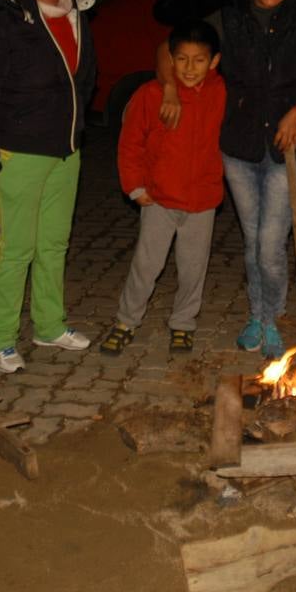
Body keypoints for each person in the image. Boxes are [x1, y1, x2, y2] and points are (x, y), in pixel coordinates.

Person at [156, 0, 296, 358]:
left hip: (289, 147)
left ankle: (274, 319)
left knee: (270, 243)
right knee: (253, 238)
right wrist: (170, 88)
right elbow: (168, 48)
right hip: (238, 145)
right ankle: (257, 316)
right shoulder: (227, 19)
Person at [0, 0, 97, 374]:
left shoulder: (74, 14)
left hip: (65, 151)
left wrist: (73, 128)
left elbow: (84, 79)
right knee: (16, 248)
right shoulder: (3, 22)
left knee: (54, 244)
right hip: (17, 153)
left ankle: (49, 324)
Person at [99, 21, 226, 355]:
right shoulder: (151, 94)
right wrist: (134, 186)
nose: (189, 68)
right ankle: (126, 320)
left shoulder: (221, 92)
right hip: (158, 199)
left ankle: (183, 323)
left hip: (202, 201)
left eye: (199, 60)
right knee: (146, 264)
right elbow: (130, 144)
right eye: (181, 59)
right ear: (170, 59)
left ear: (213, 62)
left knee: (193, 267)